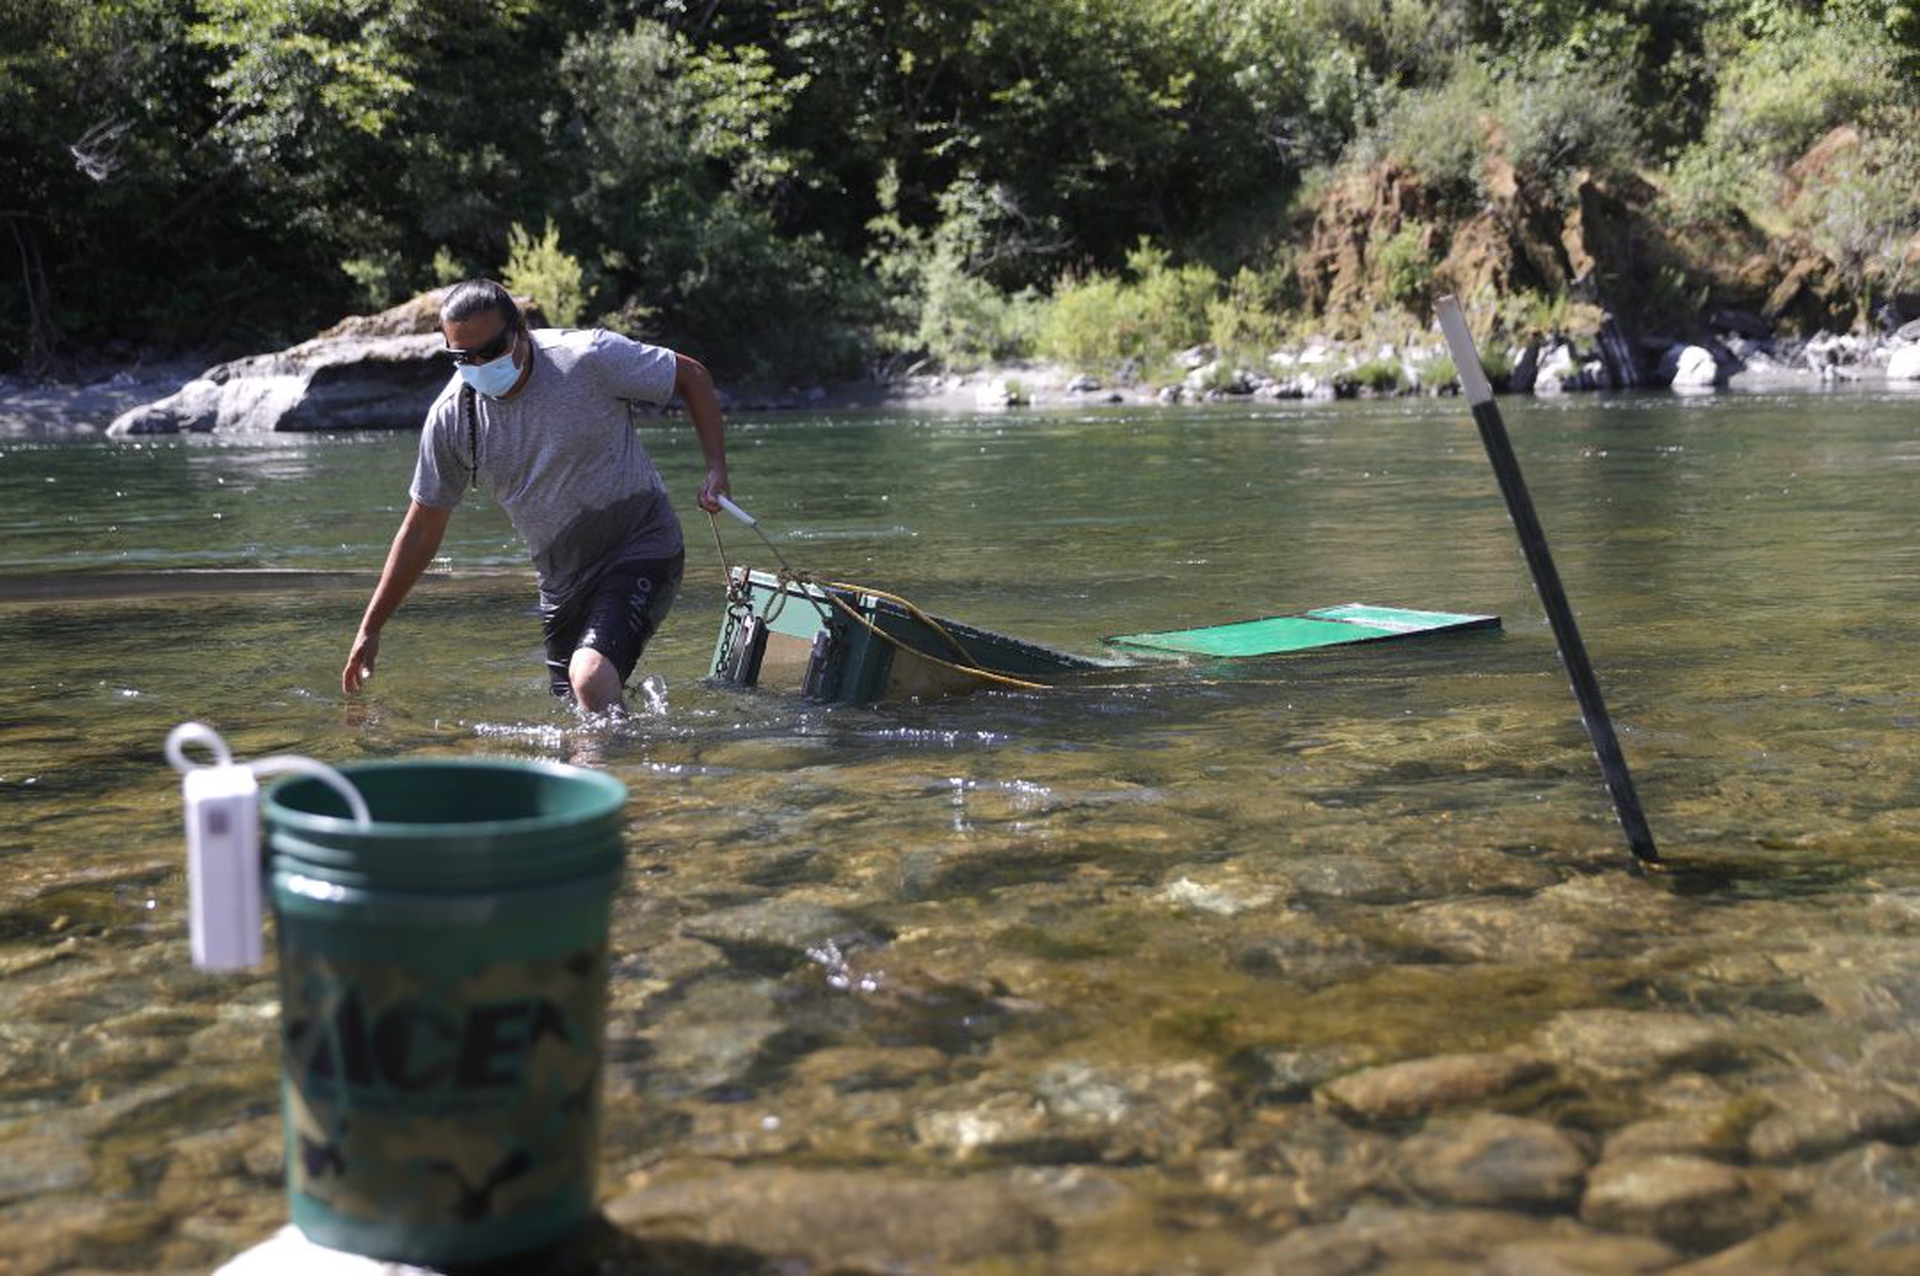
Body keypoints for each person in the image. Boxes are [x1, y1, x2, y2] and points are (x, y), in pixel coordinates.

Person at [341, 279, 729, 714]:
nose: (479, 364)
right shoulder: (451, 421)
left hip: (642, 545)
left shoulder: (587, 358)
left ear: (520, 332)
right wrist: (371, 627)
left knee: (589, 678)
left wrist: (716, 469)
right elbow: (421, 530)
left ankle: (643, 757)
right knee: (578, 712)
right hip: (562, 583)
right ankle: (641, 751)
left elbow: (692, 377)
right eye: (463, 357)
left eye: (491, 350)